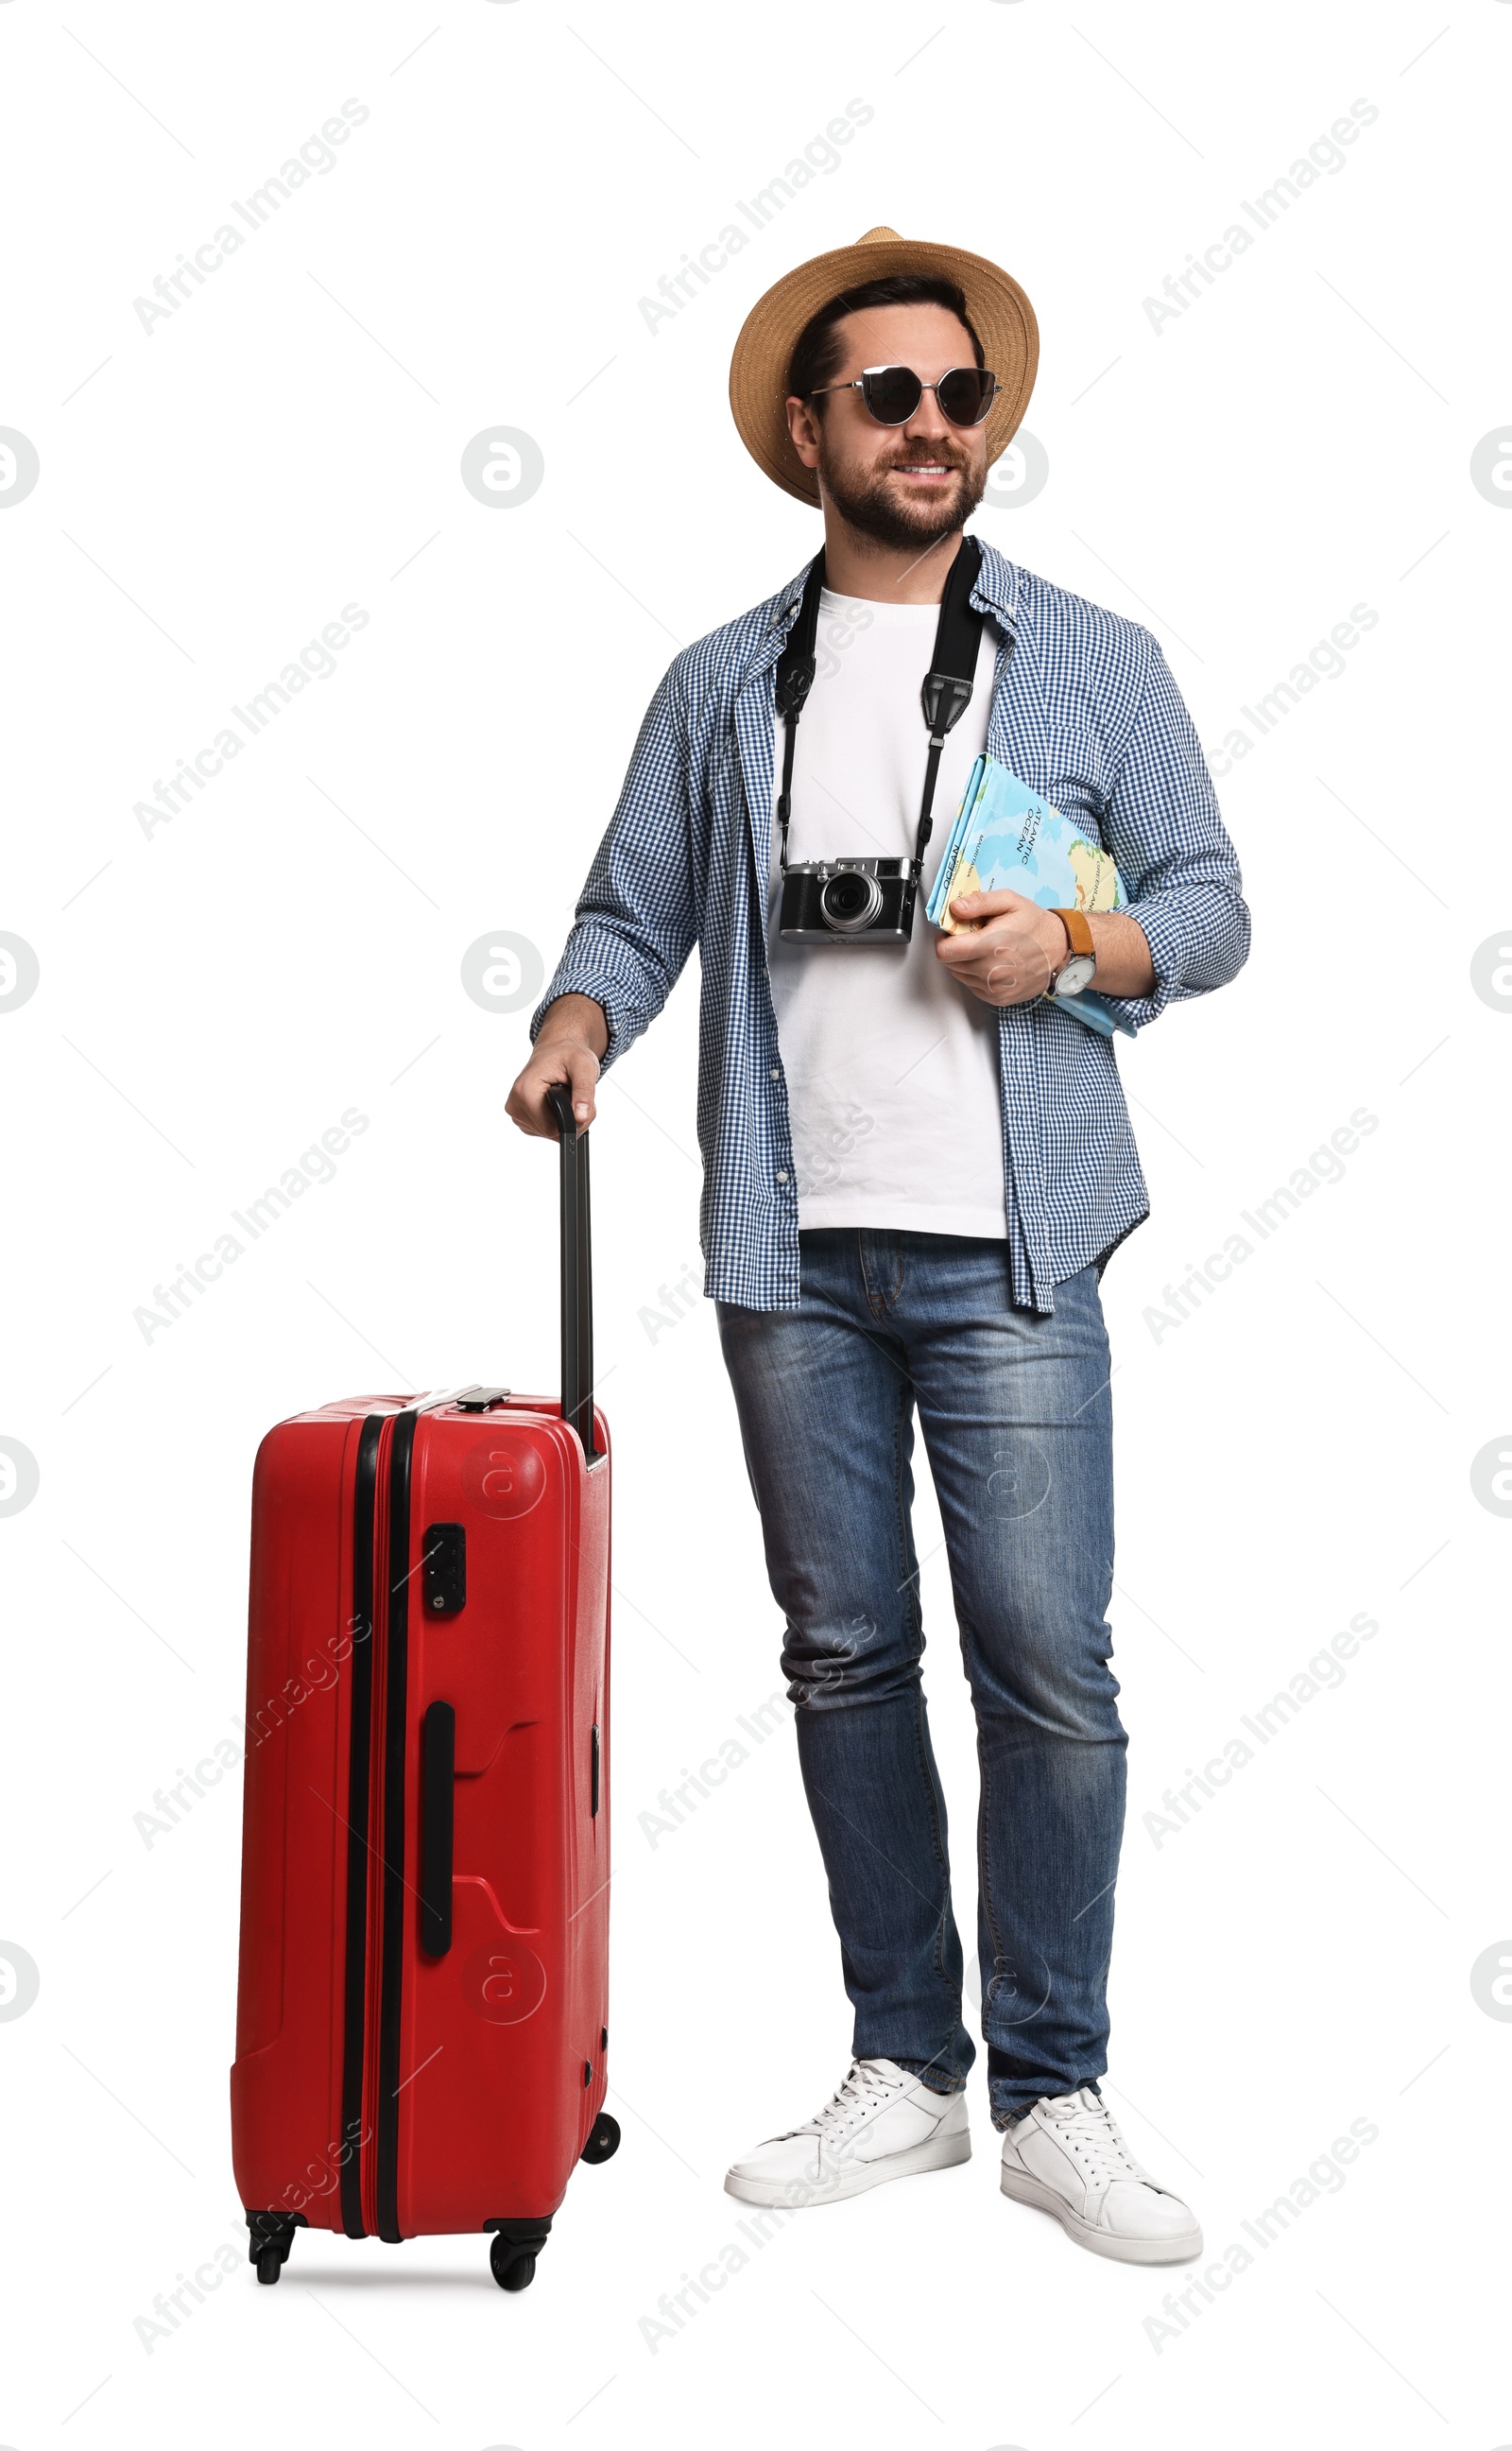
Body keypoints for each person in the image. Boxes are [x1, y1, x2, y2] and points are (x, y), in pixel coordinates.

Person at [507, 226, 1249, 2266]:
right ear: (808, 432)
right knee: (841, 1661)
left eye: (959, 396)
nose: (933, 427)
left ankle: (1056, 2087)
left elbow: (1206, 901)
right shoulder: (712, 683)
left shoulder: (1093, 657)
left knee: (1049, 1674)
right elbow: (624, 917)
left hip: (1012, 1254)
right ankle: (904, 2070)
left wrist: (1074, 943)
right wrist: (576, 1024)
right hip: (787, 1255)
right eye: (889, 397)